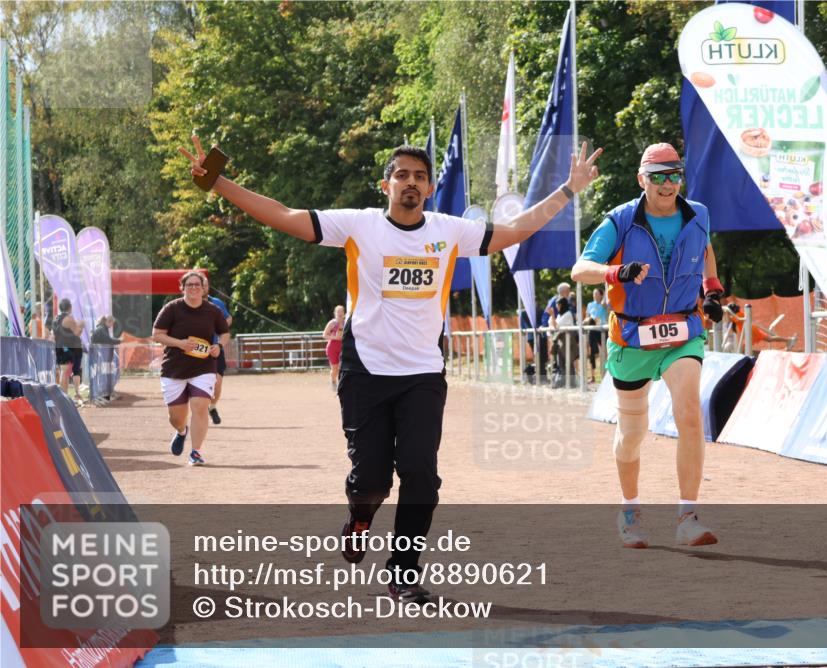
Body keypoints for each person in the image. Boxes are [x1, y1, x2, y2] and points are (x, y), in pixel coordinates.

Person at [180, 135, 601, 603]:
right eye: (402, 175)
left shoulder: (449, 230)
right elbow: (283, 215)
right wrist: (219, 183)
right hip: (366, 372)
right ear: (386, 185)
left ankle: (403, 572)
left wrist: (567, 190)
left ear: (430, 189)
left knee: (421, 475)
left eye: (420, 177)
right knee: (372, 481)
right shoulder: (358, 226)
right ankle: (360, 515)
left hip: (422, 374)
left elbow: (515, 230)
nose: (411, 183)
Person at [571, 142, 725, 549]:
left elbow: (706, 251)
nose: (667, 184)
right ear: (642, 180)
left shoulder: (699, 214)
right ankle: (629, 511)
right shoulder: (620, 220)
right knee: (632, 434)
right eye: (658, 177)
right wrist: (616, 271)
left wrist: (712, 290)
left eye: (674, 175)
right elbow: (579, 269)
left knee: (691, 414)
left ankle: (687, 516)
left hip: (682, 331)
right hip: (632, 338)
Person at [151, 271, 231, 466]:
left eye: (197, 284)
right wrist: (179, 343)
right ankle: (181, 431)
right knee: (176, 417)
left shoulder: (212, 310)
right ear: (182, 287)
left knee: (200, 407)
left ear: (203, 288)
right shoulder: (172, 308)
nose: (194, 288)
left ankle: (196, 452)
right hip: (174, 369)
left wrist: (218, 346)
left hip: (204, 367)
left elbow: (225, 333)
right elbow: (157, 334)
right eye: (190, 285)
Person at [202, 278, 233, 425]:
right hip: (195, 351)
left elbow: (228, 319)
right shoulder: (184, 305)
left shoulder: (217, 303)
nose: (202, 288)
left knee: (218, 383)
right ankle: (198, 410)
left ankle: (212, 407)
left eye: (205, 285)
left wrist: (219, 327)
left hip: (215, 348)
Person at [723, 303, 798, 351]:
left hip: (751, 331)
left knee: (743, 347)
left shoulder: (738, 315)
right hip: (751, 330)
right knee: (769, 339)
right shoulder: (740, 313)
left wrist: (726, 312)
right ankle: (788, 340)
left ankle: (789, 340)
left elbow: (729, 319)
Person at [52, 298, 85, 403]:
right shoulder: (68, 319)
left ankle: (64, 396)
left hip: (59, 347)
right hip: (67, 348)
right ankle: (64, 397)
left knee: (64, 371)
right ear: (70, 307)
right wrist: (81, 326)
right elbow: (77, 333)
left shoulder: (55, 319)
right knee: (65, 372)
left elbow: (54, 335)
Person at [585, 287, 608, 382]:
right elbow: (587, 317)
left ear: (601, 295)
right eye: (594, 294)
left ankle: (606, 374)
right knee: (592, 353)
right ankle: (593, 376)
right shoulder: (590, 305)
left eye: (597, 294)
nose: (595, 296)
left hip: (602, 330)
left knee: (606, 352)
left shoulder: (604, 304)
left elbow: (606, 306)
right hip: (592, 330)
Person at [323, 305, 346, 388]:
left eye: (341, 311)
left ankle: (341, 387)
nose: (340, 313)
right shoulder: (332, 323)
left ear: (344, 313)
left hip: (343, 347)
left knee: (342, 367)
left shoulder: (346, 322)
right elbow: (324, 335)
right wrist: (335, 337)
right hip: (332, 348)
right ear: (335, 313)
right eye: (338, 311)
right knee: (335, 369)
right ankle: (333, 381)